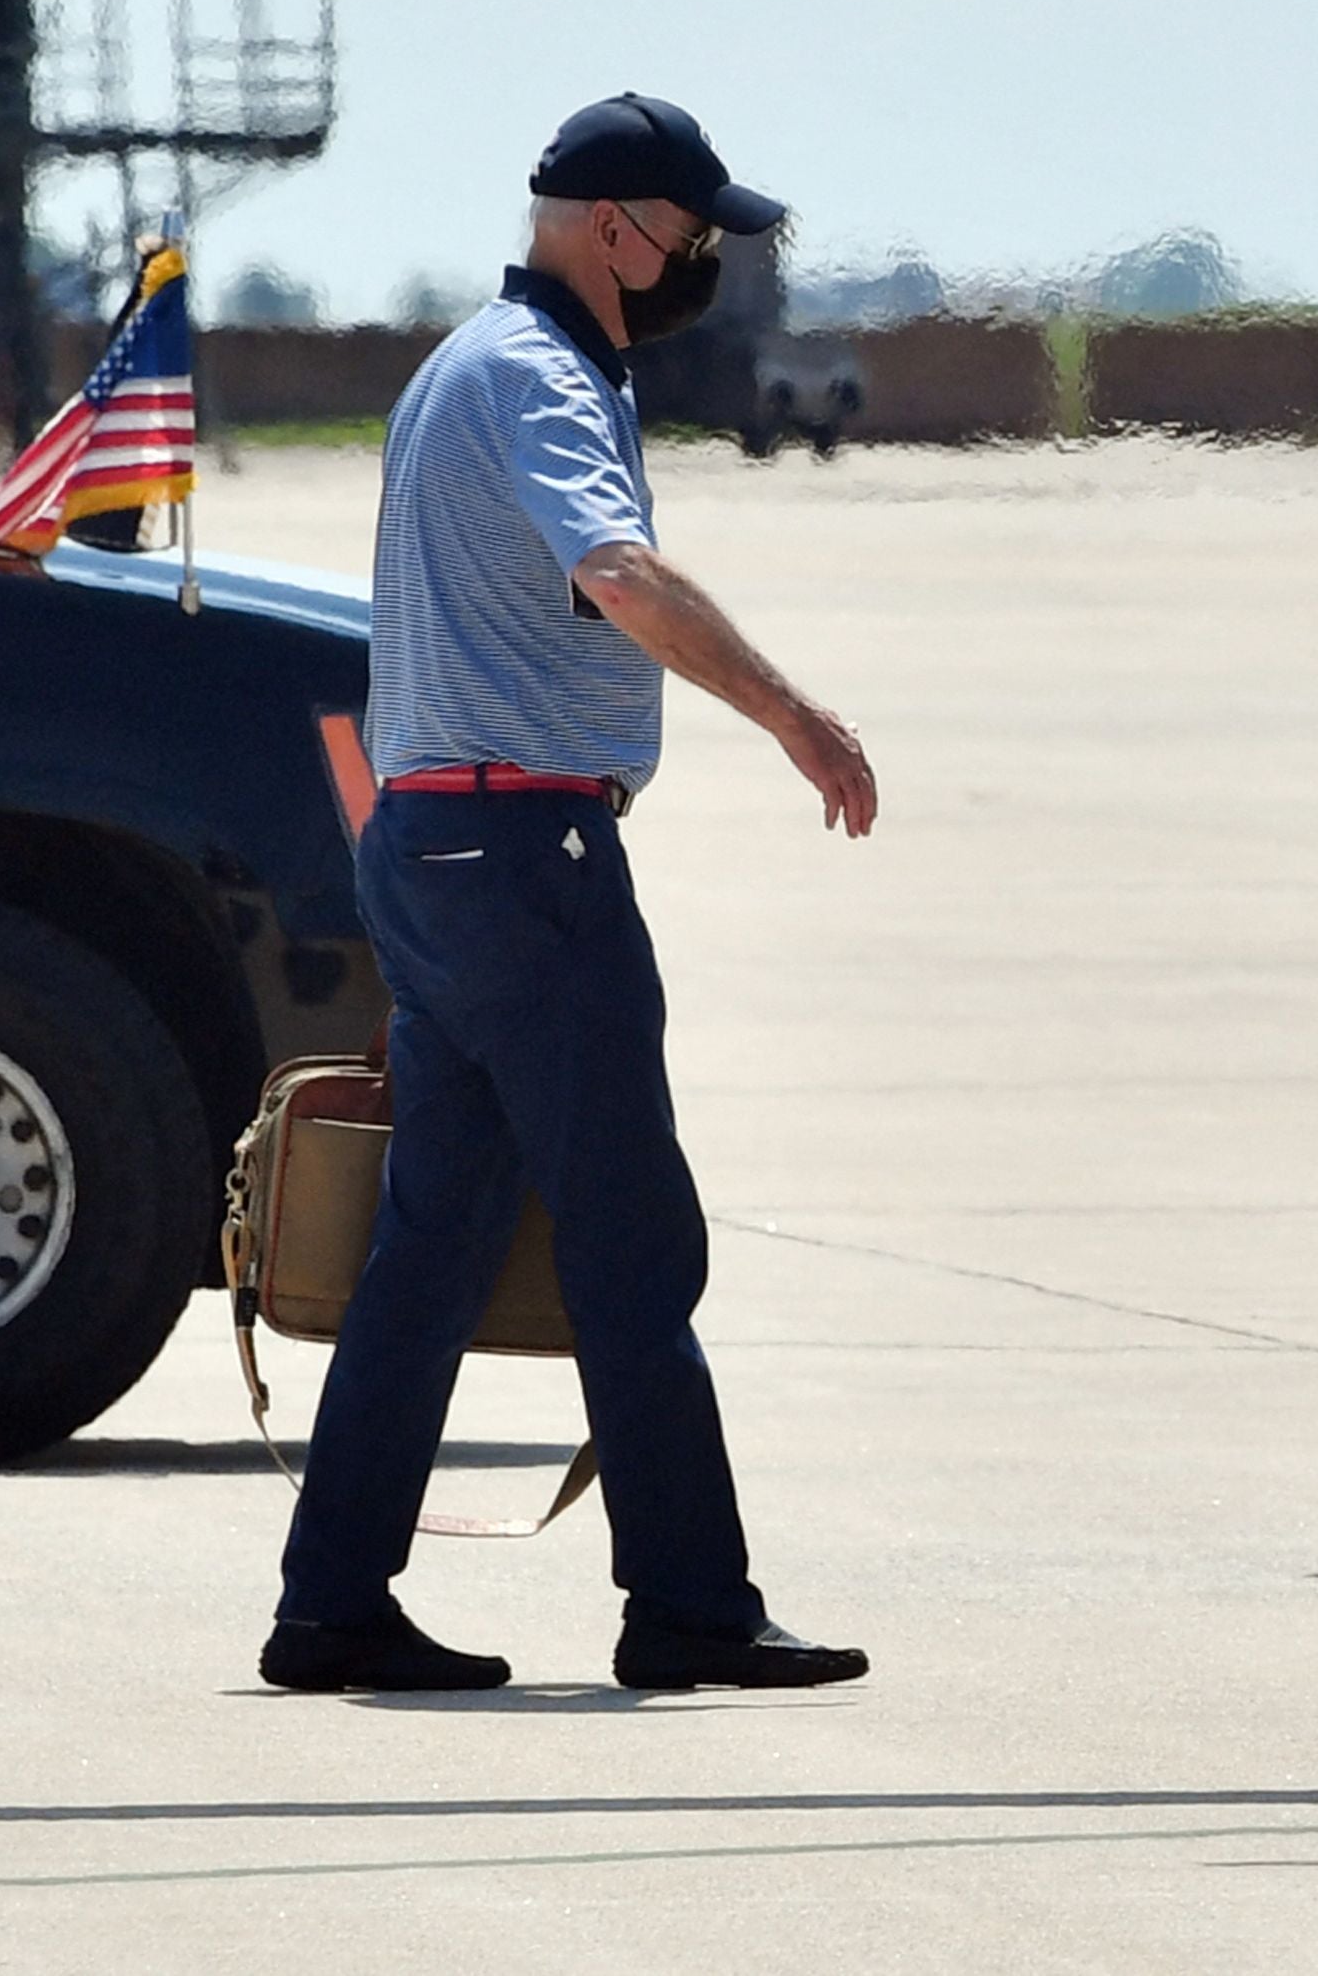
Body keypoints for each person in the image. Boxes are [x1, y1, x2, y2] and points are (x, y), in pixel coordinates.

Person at [262, 93, 878, 1695]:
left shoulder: (460, 366)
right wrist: (795, 714)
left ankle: (329, 1600)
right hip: (524, 860)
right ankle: (687, 1601)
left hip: (431, 851)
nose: (704, 265)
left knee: (437, 1242)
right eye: (691, 235)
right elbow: (617, 570)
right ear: (615, 226)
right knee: (627, 1234)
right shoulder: (537, 377)